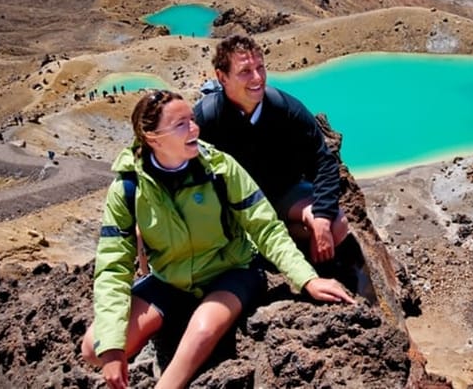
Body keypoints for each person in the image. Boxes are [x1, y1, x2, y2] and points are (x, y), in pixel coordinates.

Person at [81, 90, 354, 389]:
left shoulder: (220, 168)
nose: (194, 129)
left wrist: (307, 280)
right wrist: (111, 350)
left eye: (192, 120)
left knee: (203, 330)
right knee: (95, 348)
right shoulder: (128, 188)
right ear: (152, 137)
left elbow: (266, 228)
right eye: (181, 124)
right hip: (170, 281)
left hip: (231, 272)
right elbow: (112, 267)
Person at [194, 35, 356, 267]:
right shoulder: (205, 119)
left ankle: (276, 252)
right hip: (231, 207)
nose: (257, 78)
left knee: (336, 225)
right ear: (222, 77)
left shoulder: (287, 109)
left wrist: (320, 216)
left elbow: (323, 162)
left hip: (282, 194)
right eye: (245, 71)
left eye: (260, 67)